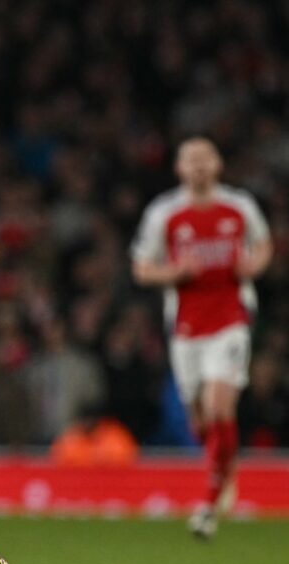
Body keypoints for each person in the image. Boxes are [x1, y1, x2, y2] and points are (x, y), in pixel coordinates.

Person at [131, 136, 272, 540]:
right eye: (190, 159)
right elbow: (142, 268)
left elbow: (263, 246)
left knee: (218, 406)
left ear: (218, 165)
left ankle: (208, 505)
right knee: (199, 418)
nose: (198, 166)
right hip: (187, 326)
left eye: (204, 158)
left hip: (230, 319)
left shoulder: (240, 206)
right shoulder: (164, 213)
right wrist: (172, 273)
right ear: (179, 168)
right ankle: (224, 462)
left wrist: (253, 265)